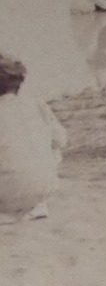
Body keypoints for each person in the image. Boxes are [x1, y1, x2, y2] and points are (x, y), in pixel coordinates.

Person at [0, 53, 67, 223]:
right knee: (53, 147)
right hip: (39, 195)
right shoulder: (36, 104)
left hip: (4, 196)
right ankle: (29, 202)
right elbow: (61, 141)